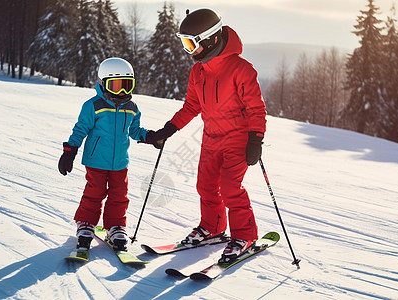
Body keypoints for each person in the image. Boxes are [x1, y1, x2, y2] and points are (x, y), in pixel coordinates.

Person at [145, 8, 267, 264]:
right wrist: (169, 129)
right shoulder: (198, 72)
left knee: (231, 187)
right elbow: (191, 106)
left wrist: (255, 138)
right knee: (205, 185)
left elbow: (256, 108)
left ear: (210, 39)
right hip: (212, 138)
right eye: (184, 43)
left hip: (239, 139)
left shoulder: (241, 69)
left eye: (191, 43)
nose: (187, 50)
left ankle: (244, 235)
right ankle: (213, 227)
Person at [58, 57, 151, 252]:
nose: (123, 92)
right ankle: (85, 223)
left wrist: (151, 136)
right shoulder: (93, 105)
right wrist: (70, 151)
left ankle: (115, 227)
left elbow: (135, 131)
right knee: (94, 193)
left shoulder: (132, 108)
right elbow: (80, 129)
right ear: (103, 83)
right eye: (116, 86)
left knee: (119, 195)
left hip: (120, 162)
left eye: (127, 85)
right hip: (96, 161)